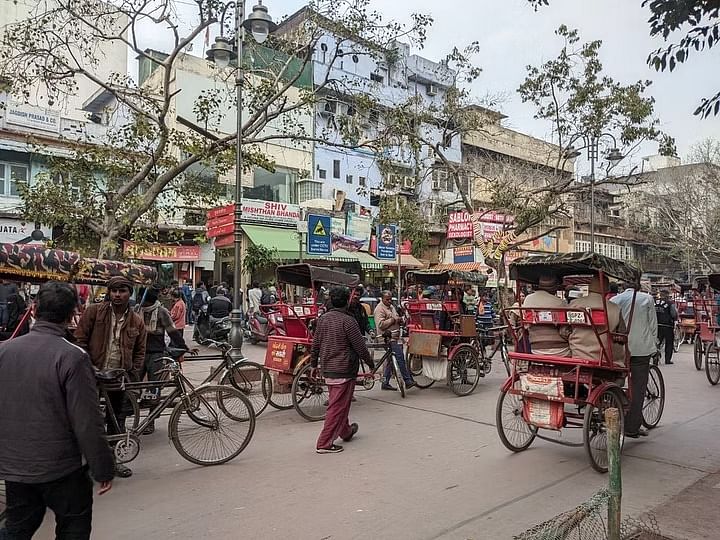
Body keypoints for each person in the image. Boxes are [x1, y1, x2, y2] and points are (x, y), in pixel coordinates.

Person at [0, 282, 114, 539]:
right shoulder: (72, 356)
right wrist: (103, 467)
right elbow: (87, 421)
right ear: (73, 313)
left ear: (34, 309)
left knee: (17, 527)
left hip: (16, 466)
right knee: (73, 528)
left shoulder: (5, 350)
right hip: (61, 468)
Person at [75, 276, 147, 478]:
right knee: (87, 420)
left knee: (116, 420)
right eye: (114, 291)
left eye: (122, 291)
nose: (117, 295)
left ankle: (113, 461)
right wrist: (87, 367)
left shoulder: (137, 321)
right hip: (92, 375)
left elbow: (140, 351)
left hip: (118, 377)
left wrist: (132, 372)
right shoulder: (94, 312)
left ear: (129, 293)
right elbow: (80, 340)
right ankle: (84, 462)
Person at [311, 286, 374, 454]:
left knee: (340, 403)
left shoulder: (323, 319)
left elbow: (315, 344)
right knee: (336, 407)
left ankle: (345, 431)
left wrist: (312, 365)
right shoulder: (348, 321)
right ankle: (324, 443)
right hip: (343, 369)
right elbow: (360, 347)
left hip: (328, 368)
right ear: (347, 301)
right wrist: (371, 364)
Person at [135, 286, 189, 434]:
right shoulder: (136, 310)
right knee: (132, 386)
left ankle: (150, 422)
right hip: (138, 354)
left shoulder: (161, 312)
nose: (143, 304)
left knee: (154, 388)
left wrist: (183, 347)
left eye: (145, 302)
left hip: (156, 354)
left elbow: (172, 332)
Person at [611, 282, 657, 438]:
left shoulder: (615, 299)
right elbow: (652, 325)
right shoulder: (646, 298)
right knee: (638, 388)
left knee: (617, 382)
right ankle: (632, 427)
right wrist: (654, 345)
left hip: (619, 349)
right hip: (640, 348)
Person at [568, 275, 626, 365]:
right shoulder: (615, 308)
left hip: (577, 355)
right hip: (605, 358)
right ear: (607, 290)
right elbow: (622, 334)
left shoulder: (574, 304)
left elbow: (564, 331)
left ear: (589, 287)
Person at [374, 291, 415, 391]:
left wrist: (399, 319)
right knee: (400, 357)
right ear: (382, 299)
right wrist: (392, 320)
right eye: (387, 299)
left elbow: (396, 317)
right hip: (386, 338)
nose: (389, 301)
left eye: (390, 299)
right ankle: (407, 380)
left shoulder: (392, 307)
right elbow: (380, 324)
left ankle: (385, 382)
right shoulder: (379, 309)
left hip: (395, 336)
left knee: (390, 361)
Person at [522, 275, 571, 356]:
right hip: (560, 350)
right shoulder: (560, 302)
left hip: (535, 348)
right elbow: (564, 331)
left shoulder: (528, 299)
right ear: (555, 288)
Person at [655, 289, 678, 365]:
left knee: (657, 342)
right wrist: (675, 319)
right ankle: (667, 360)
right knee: (669, 343)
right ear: (667, 295)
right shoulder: (670, 303)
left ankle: (655, 358)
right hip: (667, 325)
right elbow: (673, 314)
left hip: (657, 325)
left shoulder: (655, 302)